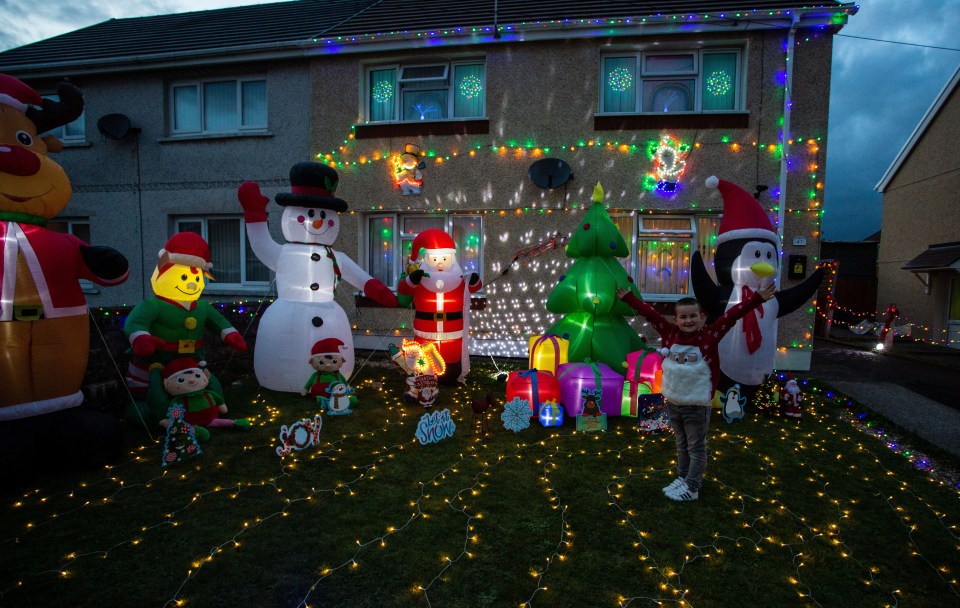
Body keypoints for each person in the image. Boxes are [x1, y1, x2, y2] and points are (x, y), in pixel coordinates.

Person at [616, 284, 775, 501]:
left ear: (701, 317)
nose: (688, 321)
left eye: (693, 316)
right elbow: (649, 313)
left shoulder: (710, 334)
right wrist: (629, 299)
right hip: (674, 402)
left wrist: (757, 298)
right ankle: (683, 477)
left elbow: (732, 315)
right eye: (683, 317)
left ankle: (692, 487)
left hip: (697, 406)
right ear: (676, 320)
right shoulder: (669, 332)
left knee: (696, 448)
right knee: (681, 445)